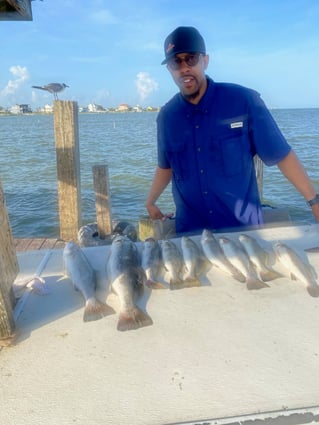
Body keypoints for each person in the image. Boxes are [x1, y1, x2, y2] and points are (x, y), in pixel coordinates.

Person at [145, 26, 319, 234]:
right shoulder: (166, 117)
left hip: (243, 233)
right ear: (169, 69)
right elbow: (166, 166)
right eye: (176, 62)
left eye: (191, 58)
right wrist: (151, 201)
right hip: (191, 234)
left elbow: (281, 155)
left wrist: (314, 202)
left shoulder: (244, 101)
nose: (184, 68)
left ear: (205, 61)